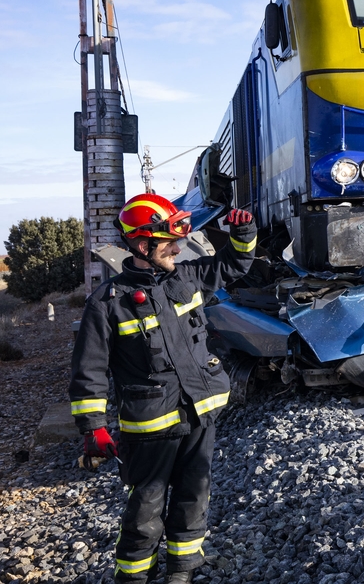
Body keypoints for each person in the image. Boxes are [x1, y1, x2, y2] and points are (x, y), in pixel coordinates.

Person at [69, 193, 257, 584]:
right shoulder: (108, 304)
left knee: (194, 497)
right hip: (150, 429)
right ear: (143, 244)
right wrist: (94, 427)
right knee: (145, 510)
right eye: (169, 240)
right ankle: (134, 577)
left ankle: (181, 574)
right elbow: (90, 369)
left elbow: (235, 264)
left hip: (198, 415)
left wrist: (243, 231)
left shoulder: (186, 278)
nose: (177, 247)